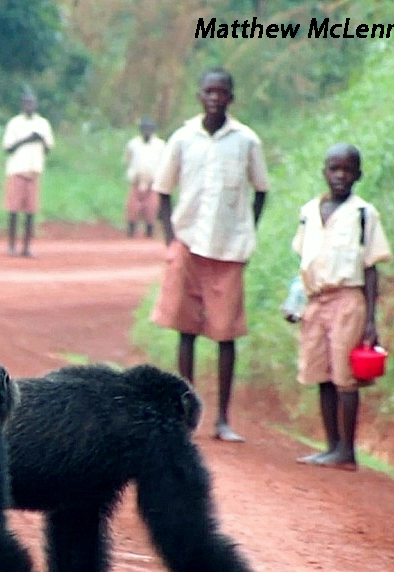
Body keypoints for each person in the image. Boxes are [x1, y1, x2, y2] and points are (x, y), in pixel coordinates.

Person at [150, 67, 269, 443]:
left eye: (222, 92)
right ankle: (187, 416)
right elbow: (163, 191)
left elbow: (261, 190)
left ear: (231, 98)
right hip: (188, 244)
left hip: (228, 251)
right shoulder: (183, 139)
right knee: (187, 331)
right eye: (209, 91)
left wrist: (245, 230)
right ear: (200, 95)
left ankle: (222, 419)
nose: (215, 97)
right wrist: (171, 240)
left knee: (225, 334)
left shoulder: (247, 141)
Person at [292, 143, 392, 470]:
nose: (340, 176)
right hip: (316, 299)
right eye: (334, 169)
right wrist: (296, 300)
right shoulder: (309, 212)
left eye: (347, 170)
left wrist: (371, 320)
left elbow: (370, 268)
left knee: (344, 376)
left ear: (358, 175)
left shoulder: (364, 215)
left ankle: (347, 450)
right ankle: (331, 445)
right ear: (324, 171)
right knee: (321, 372)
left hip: (349, 299)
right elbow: (304, 261)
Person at [1, 88, 54, 257]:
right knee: (13, 210)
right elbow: (8, 148)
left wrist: (41, 140)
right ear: (22, 105)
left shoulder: (43, 124)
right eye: (26, 103)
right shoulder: (14, 123)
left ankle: (26, 246)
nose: (29, 106)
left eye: (32, 103)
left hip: (34, 171)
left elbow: (48, 148)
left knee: (31, 212)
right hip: (17, 169)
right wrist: (26, 139)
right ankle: (11, 245)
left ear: (36, 105)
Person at [124, 116, 165, 238]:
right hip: (136, 181)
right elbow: (128, 160)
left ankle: (149, 234)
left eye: (149, 129)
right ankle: (131, 234)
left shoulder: (160, 145)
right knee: (132, 208)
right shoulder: (133, 144)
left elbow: (163, 162)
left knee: (151, 209)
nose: (147, 131)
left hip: (153, 183)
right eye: (144, 128)